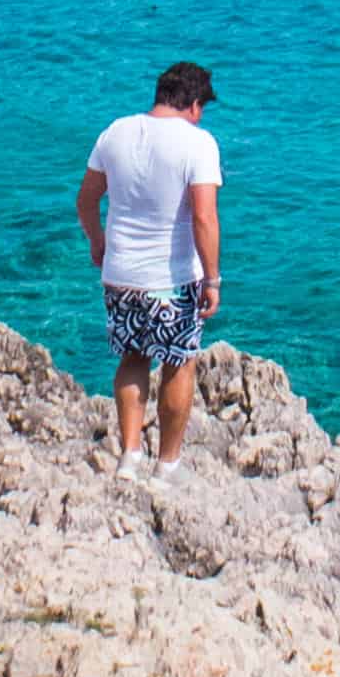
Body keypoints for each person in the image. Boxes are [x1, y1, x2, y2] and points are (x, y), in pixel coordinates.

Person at [79, 57, 221, 465]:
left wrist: (98, 243)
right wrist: (212, 280)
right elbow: (203, 217)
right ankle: (168, 464)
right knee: (178, 363)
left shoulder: (116, 132)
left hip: (120, 273)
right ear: (194, 104)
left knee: (133, 357)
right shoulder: (199, 143)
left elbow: (86, 200)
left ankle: (130, 456)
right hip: (172, 280)